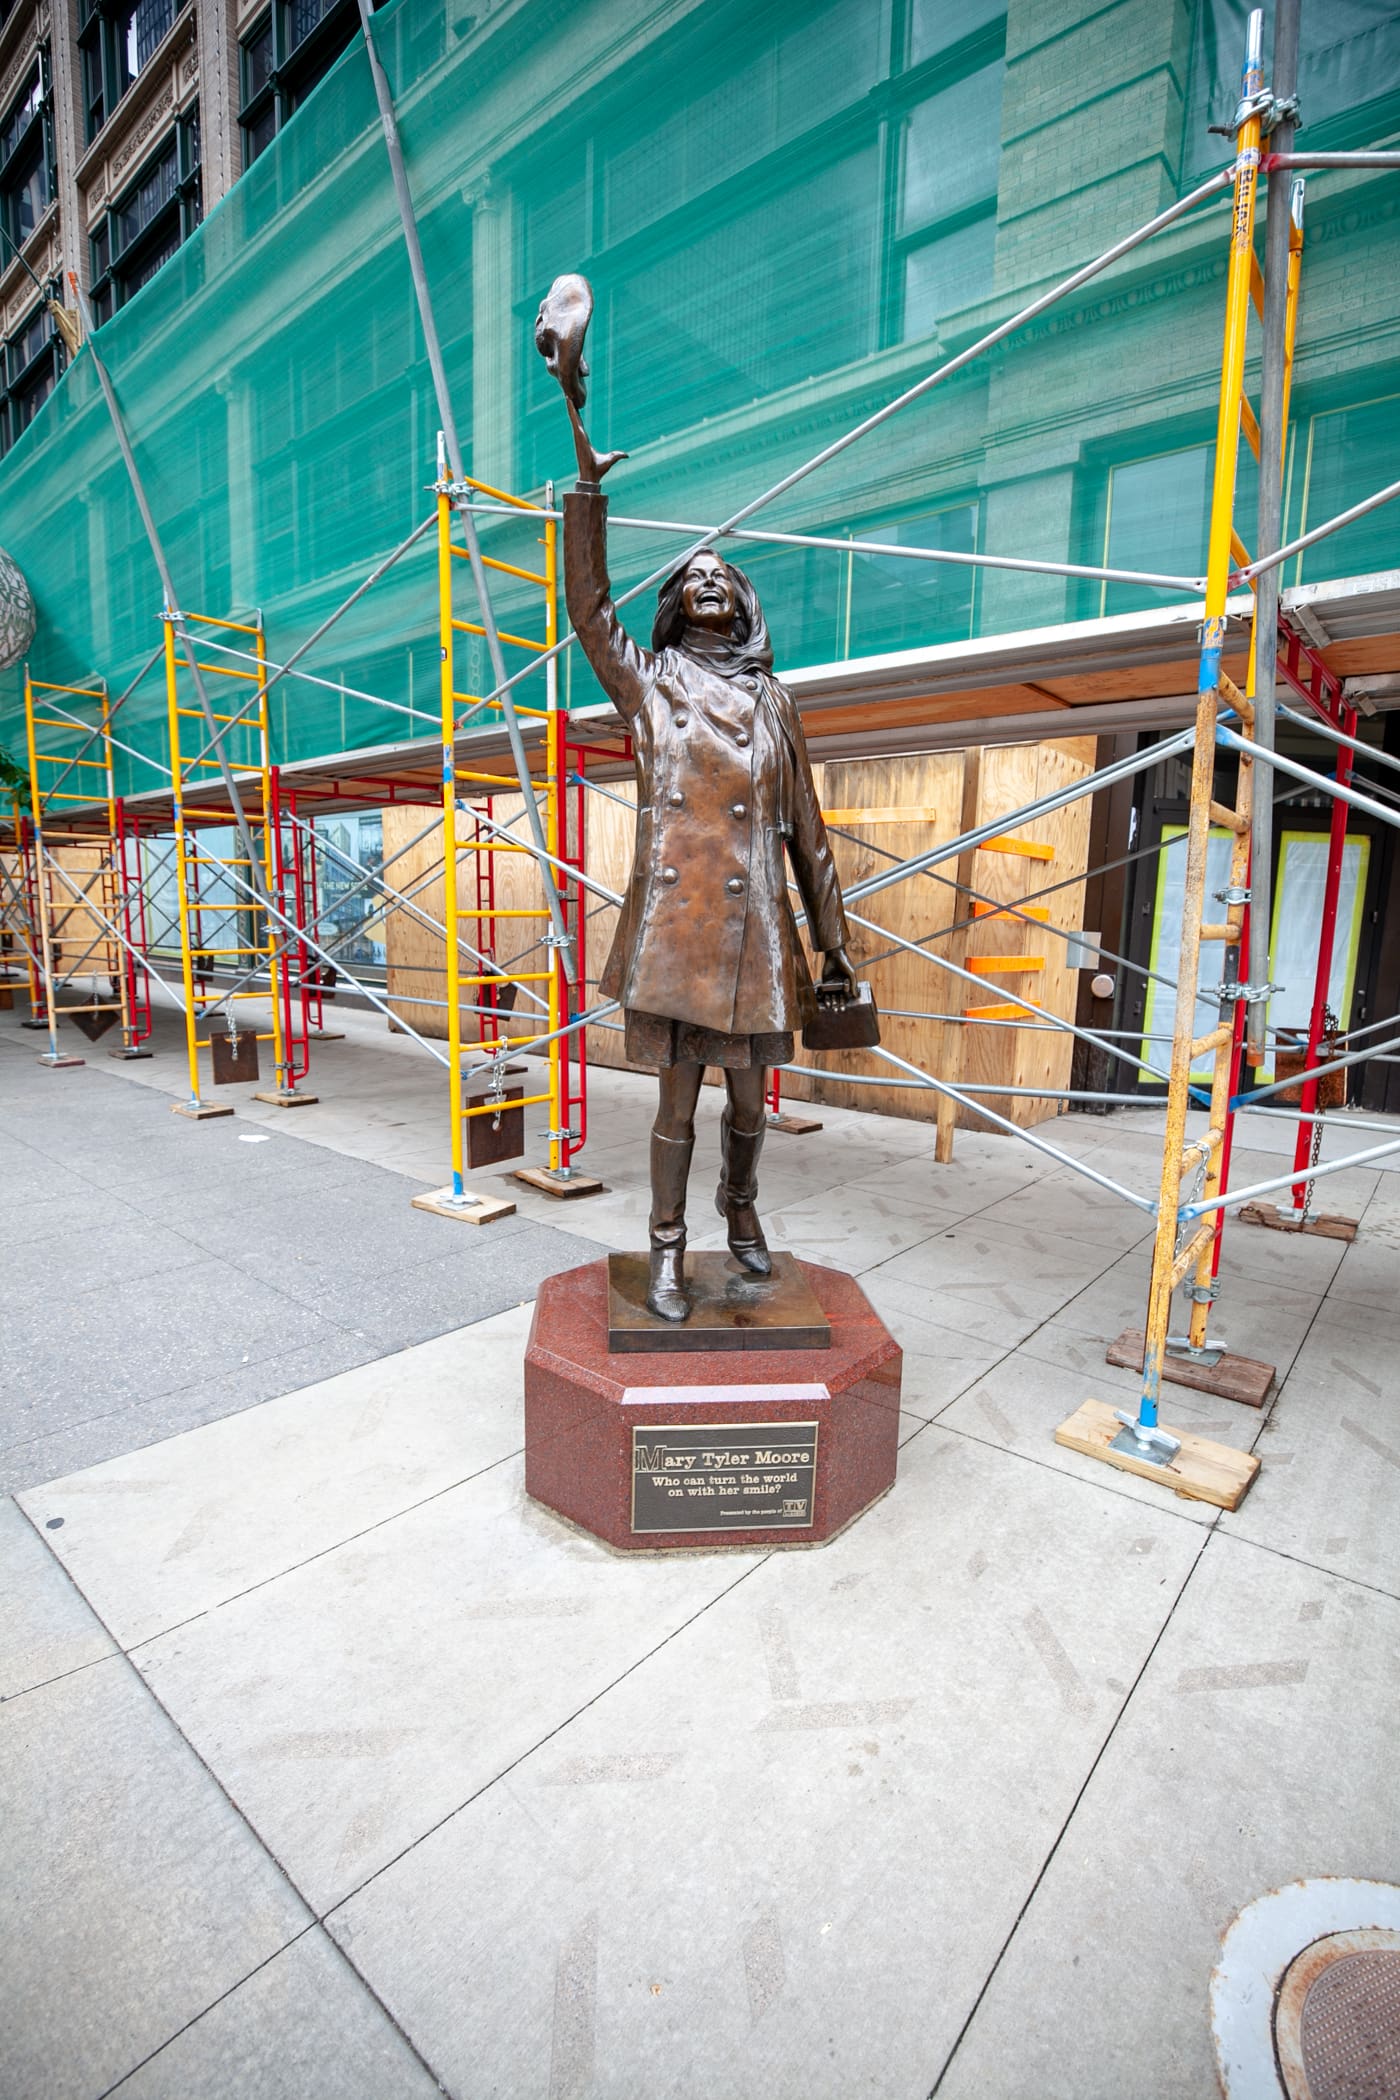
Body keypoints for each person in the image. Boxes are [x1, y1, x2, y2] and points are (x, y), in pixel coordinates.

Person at [561, 418, 857, 1325]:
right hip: (680, 932)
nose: (707, 585)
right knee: (675, 1108)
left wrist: (835, 945)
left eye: (721, 578)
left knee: (750, 1103)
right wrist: (587, 496)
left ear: (744, 602)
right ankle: (665, 1249)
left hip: (757, 932)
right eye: (691, 581)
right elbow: (589, 610)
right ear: (676, 608)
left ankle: (740, 1209)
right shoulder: (649, 684)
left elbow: (805, 831)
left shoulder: (774, 701)